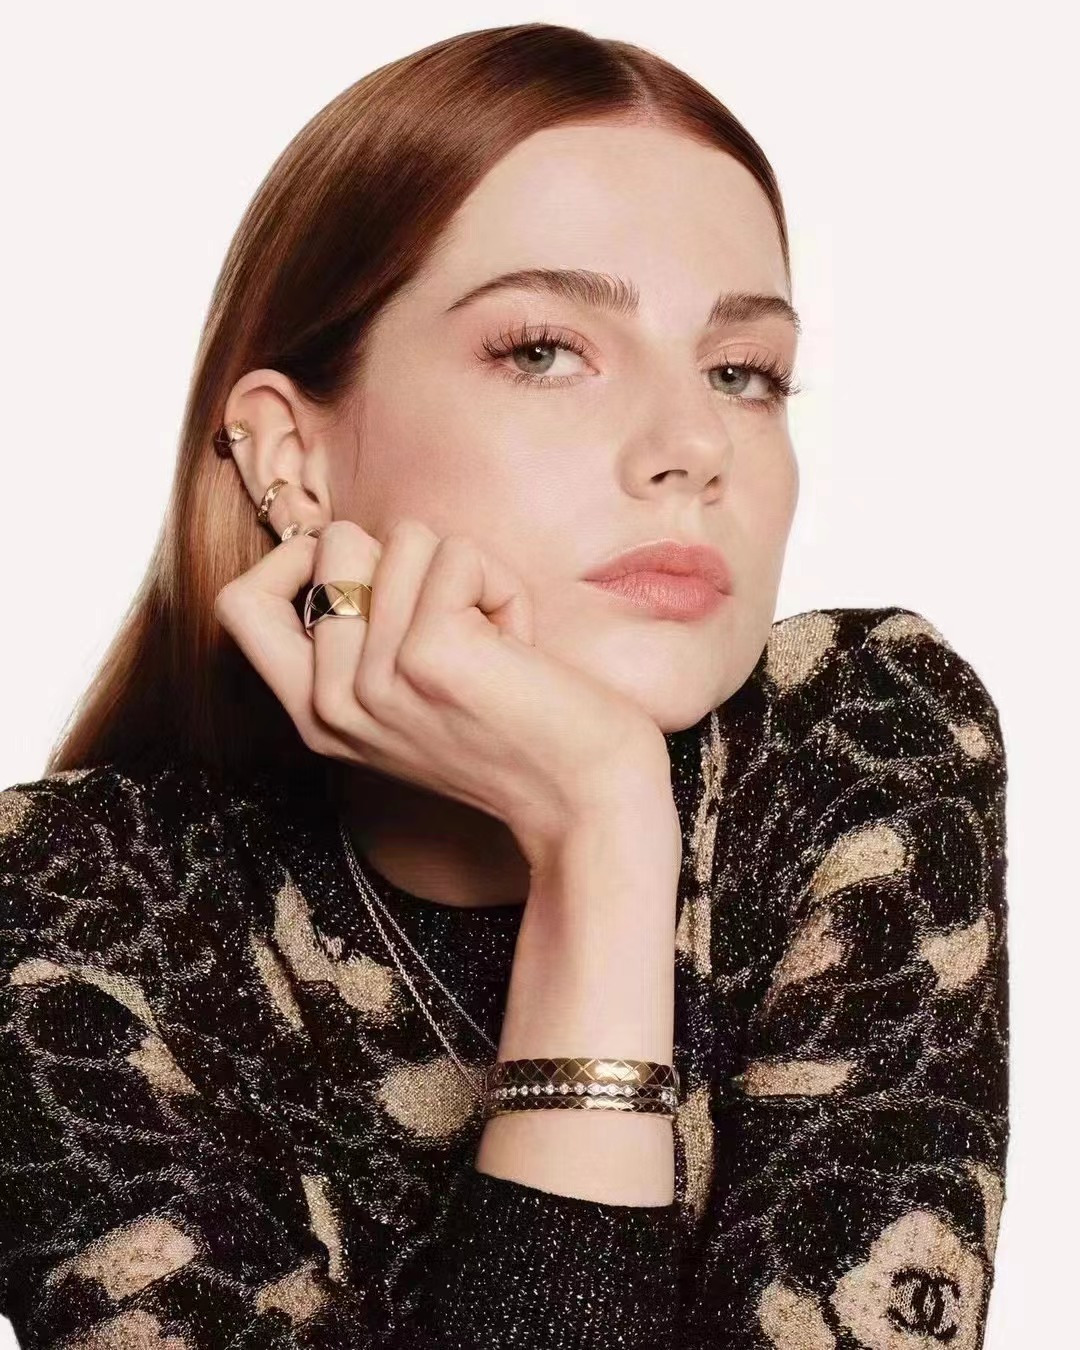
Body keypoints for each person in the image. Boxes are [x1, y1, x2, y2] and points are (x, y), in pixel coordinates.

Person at [0, 21, 1008, 1350]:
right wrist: (602, 833)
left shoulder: (860, 737)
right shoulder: (76, 903)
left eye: (743, 371)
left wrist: (605, 825)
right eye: (544, 350)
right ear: (291, 460)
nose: (692, 443)